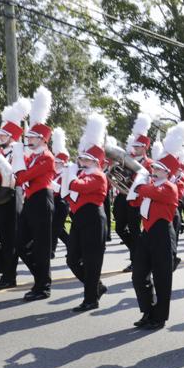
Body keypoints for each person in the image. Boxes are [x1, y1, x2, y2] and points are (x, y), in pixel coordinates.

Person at [128, 124, 184, 330]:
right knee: (139, 275)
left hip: (162, 232)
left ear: (167, 172)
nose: (154, 171)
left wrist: (140, 185)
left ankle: (159, 317)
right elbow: (134, 201)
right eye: (154, 168)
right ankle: (147, 310)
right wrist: (135, 187)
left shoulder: (169, 187)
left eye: (158, 169)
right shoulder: (152, 185)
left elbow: (147, 192)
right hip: (147, 233)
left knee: (162, 278)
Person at [63, 114, 109, 312]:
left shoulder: (98, 176)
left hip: (93, 218)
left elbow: (77, 186)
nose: (80, 160)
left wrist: (70, 172)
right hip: (80, 218)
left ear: (94, 161)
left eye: (85, 158)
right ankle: (96, 287)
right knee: (72, 259)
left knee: (92, 261)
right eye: (81, 157)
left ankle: (91, 299)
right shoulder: (83, 172)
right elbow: (67, 190)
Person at [13, 87, 55, 301]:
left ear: (43, 139)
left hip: (42, 199)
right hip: (31, 200)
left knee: (41, 244)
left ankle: (43, 286)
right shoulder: (32, 157)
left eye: (33, 137)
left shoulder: (47, 157)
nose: (28, 139)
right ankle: (40, 277)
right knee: (21, 243)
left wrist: (19, 155)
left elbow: (20, 178)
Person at [0, 98, 29, 289]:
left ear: (11, 136)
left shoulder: (18, 150)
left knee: (8, 238)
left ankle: (9, 277)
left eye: (3, 134)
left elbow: (16, 173)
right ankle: (6, 270)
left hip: (11, 196)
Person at [117, 113, 154, 272]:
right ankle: (138, 255)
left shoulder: (149, 163)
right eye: (135, 146)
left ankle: (137, 260)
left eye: (138, 146)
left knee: (135, 230)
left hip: (137, 200)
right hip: (123, 196)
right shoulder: (128, 159)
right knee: (119, 228)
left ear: (145, 147)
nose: (135, 148)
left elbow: (148, 182)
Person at [50, 128, 70, 259]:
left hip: (62, 202)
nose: (54, 164)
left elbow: (63, 190)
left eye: (57, 162)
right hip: (53, 201)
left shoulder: (66, 172)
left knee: (55, 228)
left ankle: (51, 251)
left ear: (63, 162)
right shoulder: (53, 172)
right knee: (57, 228)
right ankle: (69, 246)